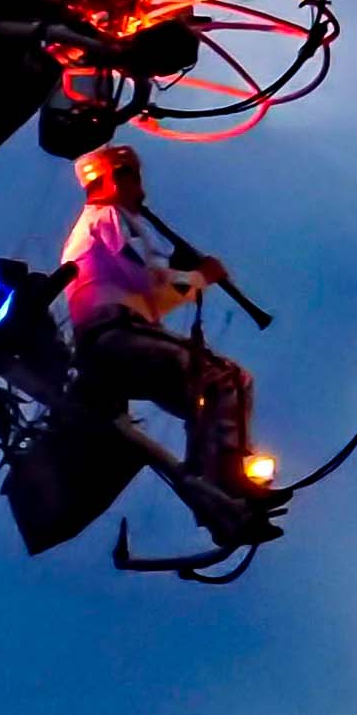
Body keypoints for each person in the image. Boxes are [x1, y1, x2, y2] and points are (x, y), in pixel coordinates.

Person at [56, 143, 260, 499]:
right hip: (115, 332)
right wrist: (198, 277)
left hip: (110, 340)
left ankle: (205, 485)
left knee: (203, 399)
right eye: (135, 178)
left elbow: (148, 295)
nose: (142, 191)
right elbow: (143, 277)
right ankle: (226, 475)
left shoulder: (96, 227)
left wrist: (192, 278)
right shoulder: (105, 218)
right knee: (228, 379)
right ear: (115, 179)